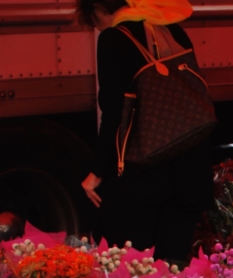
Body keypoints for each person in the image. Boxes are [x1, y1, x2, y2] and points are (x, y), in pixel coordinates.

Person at [77, 0, 212, 262]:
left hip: (146, 176)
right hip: (191, 169)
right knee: (175, 269)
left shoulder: (114, 38)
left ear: (98, 10)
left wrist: (96, 172)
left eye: (95, 23)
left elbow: (115, 113)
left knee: (136, 276)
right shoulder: (173, 30)